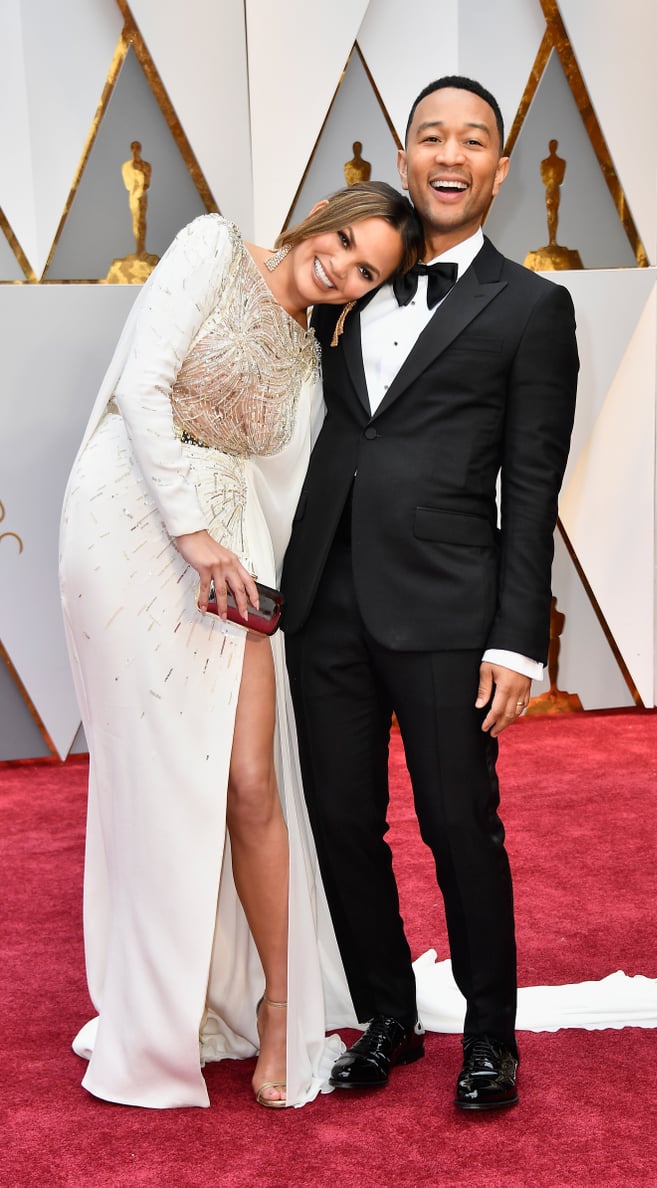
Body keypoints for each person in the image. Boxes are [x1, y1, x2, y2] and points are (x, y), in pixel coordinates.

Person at [59, 182, 422, 1109]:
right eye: (343, 239)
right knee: (152, 776)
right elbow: (141, 384)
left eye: (364, 271)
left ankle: (276, 1005)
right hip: (127, 522)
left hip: (233, 565)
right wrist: (190, 536)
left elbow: (294, 492)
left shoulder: (312, 358)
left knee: (251, 782)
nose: (338, 265)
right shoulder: (213, 247)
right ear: (323, 216)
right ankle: (153, 1010)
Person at [281, 77, 579, 1110]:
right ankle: (389, 1017)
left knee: (460, 824)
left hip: (451, 610)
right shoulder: (354, 282)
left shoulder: (536, 308)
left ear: (501, 167)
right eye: (431, 137)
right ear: (403, 159)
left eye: (475, 140)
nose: (451, 155)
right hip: (321, 600)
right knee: (337, 818)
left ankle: (491, 1038)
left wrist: (518, 638)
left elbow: (533, 482)